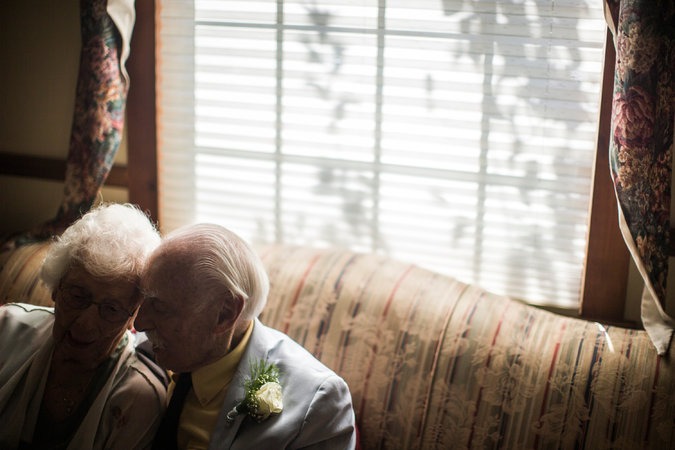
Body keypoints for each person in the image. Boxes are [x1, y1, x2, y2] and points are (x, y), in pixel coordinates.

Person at [135, 223, 357, 449]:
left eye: (160, 308)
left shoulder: (318, 404)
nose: (139, 323)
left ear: (225, 314)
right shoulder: (144, 354)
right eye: (142, 299)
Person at [0, 203, 167, 450]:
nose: (86, 324)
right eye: (78, 296)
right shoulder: (5, 330)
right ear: (57, 287)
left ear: (134, 316)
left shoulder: (138, 398)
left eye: (111, 309)